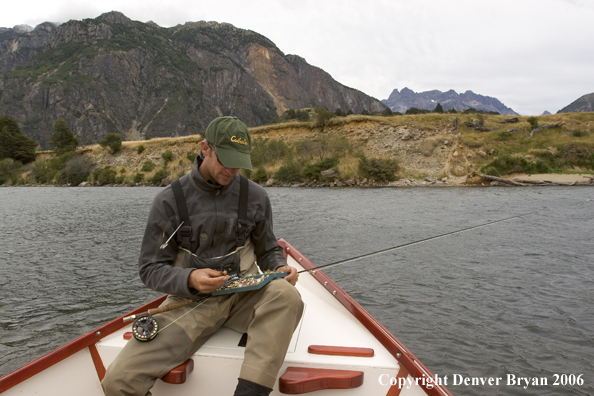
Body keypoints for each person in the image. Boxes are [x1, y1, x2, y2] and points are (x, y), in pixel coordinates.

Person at [102, 116, 304, 396]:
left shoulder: (257, 196)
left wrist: (280, 267)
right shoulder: (168, 201)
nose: (233, 170)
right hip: (190, 305)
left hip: (245, 296)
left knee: (286, 295)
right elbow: (149, 269)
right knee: (118, 381)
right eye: (226, 160)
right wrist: (191, 278)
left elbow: (268, 249)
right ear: (205, 148)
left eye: (239, 162)